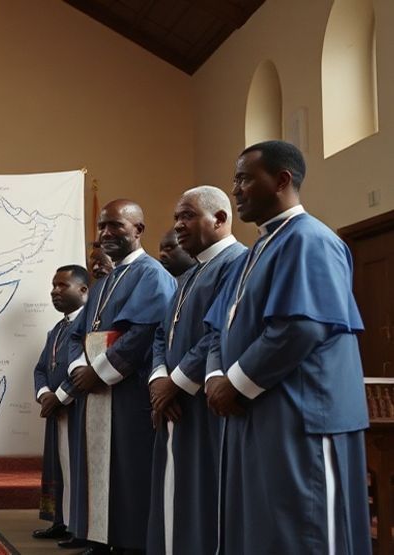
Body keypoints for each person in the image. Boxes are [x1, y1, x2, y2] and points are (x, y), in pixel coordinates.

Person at [204, 141, 370, 554]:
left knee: (307, 529)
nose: (236, 189)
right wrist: (214, 375)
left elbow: (301, 328)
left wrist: (235, 383)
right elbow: (217, 328)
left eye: (244, 178)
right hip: (261, 409)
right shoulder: (255, 252)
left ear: (282, 180)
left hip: (305, 414)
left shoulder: (310, 239)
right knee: (268, 530)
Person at [58, 199, 176, 554]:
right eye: (102, 227)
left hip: (127, 392)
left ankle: (130, 543)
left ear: (138, 229)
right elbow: (76, 333)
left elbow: (142, 334)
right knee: (98, 468)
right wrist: (79, 369)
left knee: (129, 471)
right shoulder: (104, 281)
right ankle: (101, 537)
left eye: (116, 226)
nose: (106, 233)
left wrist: (99, 372)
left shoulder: (151, 275)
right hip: (95, 391)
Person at [146, 186, 246, 555]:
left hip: (204, 404)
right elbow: (162, 333)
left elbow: (218, 333)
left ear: (219, 219)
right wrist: (159, 380)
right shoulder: (189, 274)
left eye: (187, 216)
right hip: (173, 401)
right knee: (174, 493)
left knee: (204, 497)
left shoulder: (237, 262)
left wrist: (176, 382)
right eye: (176, 217)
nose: (178, 225)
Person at [33, 265, 89, 544]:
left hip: (77, 407)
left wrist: (61, 396)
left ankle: (79, 527)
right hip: (56, 409)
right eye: (53, 286)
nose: (54, 292)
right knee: (60, 467)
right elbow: (41, 368)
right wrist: (45, 394)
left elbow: (87, 365)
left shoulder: (89, 324)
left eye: (61, 286)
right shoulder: (58, 328)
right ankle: (61, 520)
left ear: (83, 290)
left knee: (77, 467)